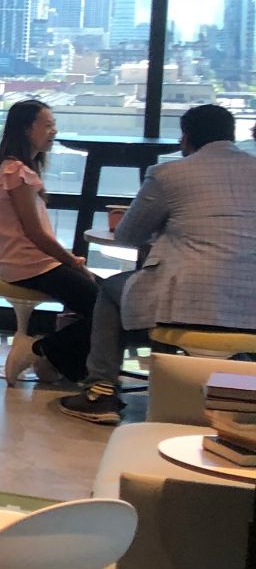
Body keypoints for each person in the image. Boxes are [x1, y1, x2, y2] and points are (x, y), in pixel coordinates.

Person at [60, 103, 256, 423]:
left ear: (186, 138)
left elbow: (128, 234)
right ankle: (238, 401)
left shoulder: (169, 174)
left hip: (188, 296)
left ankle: (101, 392)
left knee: (111, 289)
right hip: (249, 304)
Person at [0, 100, 97, 382]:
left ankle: (58, 362)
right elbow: (34, 233)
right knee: (107, 310)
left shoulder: (13, 169)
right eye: (47, 125)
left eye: (53, 125)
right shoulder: (17, 172)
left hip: (30, 263)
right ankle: (40, 350)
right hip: (30, 265)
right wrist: (72, 262)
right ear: (25, 129)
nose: (53, 131)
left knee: (104, 305)